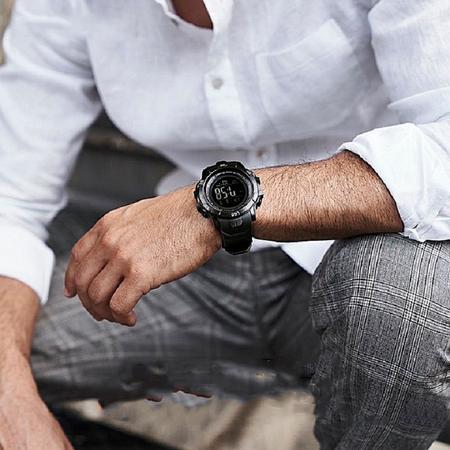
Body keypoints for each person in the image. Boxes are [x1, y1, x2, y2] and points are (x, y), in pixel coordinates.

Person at [0, 0, 449, 448]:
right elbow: (13, 200)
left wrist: (206, 210)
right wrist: (11, 400)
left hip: (355, 245)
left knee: (401, 313)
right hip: (188, 273)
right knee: (11, 353)